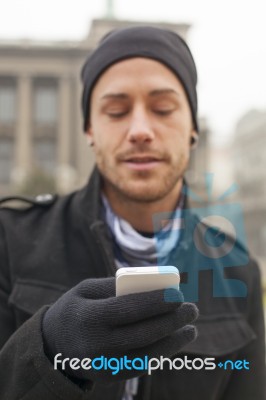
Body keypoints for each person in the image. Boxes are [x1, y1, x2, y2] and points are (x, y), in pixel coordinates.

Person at [0, 26, 265, 400]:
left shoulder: (239, 273)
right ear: (90, 129)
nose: (140, 130)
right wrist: (44, 352)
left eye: (163, 109)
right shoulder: (10, 242)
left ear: (193, 129)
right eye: (116, 110)